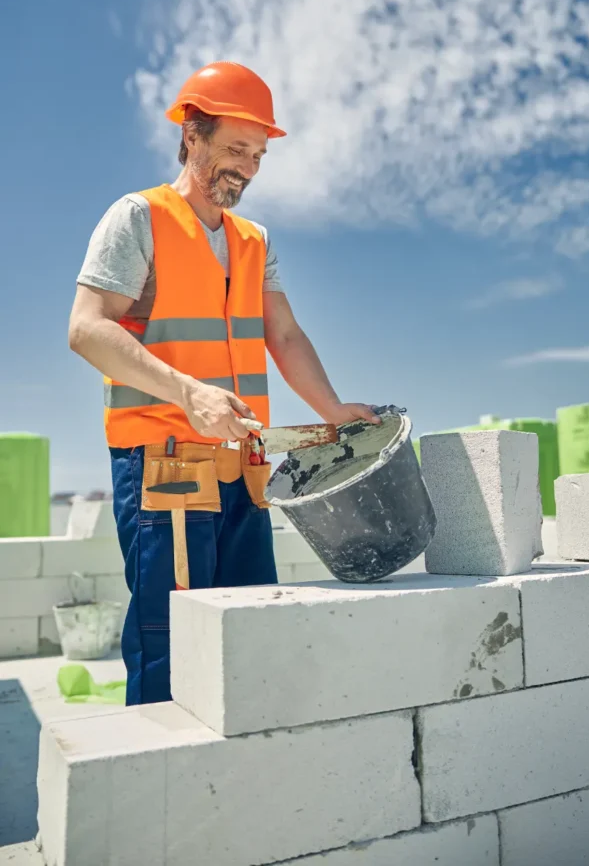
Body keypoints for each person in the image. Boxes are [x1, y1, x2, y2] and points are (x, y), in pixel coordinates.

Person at [68, 61, 380, 705]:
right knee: (173, 653)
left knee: (247, 646)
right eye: (236, 148)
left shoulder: (254, 242)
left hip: (245, 470)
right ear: (192, 135)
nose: (249, 166)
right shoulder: (137, 218)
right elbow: (87, 329)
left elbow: (284, 335)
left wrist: (332, 408)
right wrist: (188, 392)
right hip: (166, 469)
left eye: (260, 154)